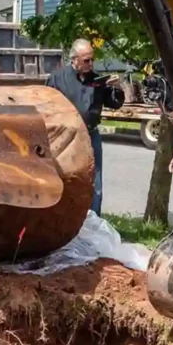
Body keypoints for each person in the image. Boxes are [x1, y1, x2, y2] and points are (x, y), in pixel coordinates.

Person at [45, 38, 125, 216]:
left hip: (90, 136)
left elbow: (114, 103)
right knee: (64, 178)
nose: (90, 63)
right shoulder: (58, 78)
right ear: (74, 60)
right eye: (86, 60)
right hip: (65, 137)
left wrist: (117, 88)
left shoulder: (98, 79)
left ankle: (93, 221)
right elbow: (46, 106)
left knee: (94, 182)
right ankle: (62, 219)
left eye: (92, 59)